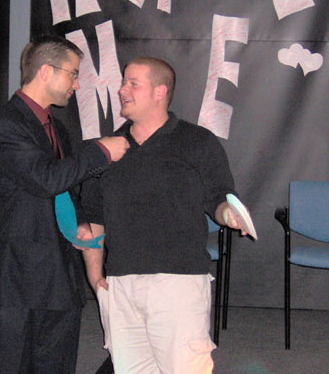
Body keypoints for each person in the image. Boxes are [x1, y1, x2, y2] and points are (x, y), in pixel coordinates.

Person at [81, 57, 246, 373]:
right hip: (120, 284)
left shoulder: (197, 141)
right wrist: (95, 276)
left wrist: (230, 213)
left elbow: (220, 198)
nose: (122, 90)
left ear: (160, 92)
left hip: (178, 283)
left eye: (133, 83)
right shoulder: (106, 149)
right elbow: (93, 215)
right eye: (123, 82)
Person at [0, 35, 129, 374]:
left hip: (57, 272)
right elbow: (44, 178)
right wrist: (101, 151)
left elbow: (63, 188)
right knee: (9, 364)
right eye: (72, 74)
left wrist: (78, 221)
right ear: (45, 71)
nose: (77, 84)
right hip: (17, 275)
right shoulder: (7, 124)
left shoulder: (55, 127)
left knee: (56, 363)